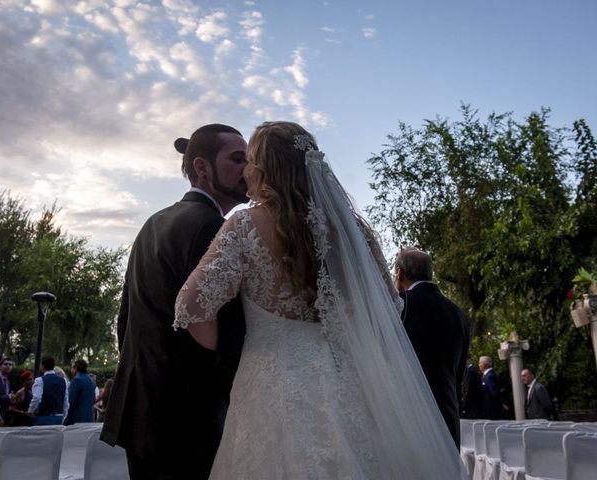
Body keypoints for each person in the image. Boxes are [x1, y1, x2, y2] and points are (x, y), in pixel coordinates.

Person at [174, 121, 465, 479]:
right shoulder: (353, 230)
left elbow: (190, 306)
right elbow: (391, 308)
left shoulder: (244, 226)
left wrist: (235, 348)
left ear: (266, 167)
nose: (246, 170)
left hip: (270, 385)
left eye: (251, 160)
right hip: (350, 381)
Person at [101, 124, 248, 480]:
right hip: (187, 415)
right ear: (202, 167)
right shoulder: (210, 227)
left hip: (142, 411)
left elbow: (126, 320)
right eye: (237, 158)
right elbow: (228, 332)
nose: (248, 169)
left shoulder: (153, 223)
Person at [394, 247, 469, 446]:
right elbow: (460, 374)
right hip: (447, 413)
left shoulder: (400, 305)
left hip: (410, 414)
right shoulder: (458, 313)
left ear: (399, 273)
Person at [28, 356, 69, 425]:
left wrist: (30, 411)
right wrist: (64, 416)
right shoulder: (63, 381)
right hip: (59, 416)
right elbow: (66, 401)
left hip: (44, 417)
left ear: (42, 366)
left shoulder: (39, 380)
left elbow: (36, 398)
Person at [64, 359, 96, 425]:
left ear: (76, 368)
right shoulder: (90, 381)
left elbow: (69, 401)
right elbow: (93, 399)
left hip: (76, 419)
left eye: (72, 367)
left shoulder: (76, 380)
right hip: (88, 418)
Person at [0, 357, 15, 422]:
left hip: (4, 414)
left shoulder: (8, 382)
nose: (8, 366)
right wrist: (8, 396)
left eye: (10, 365)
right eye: (5, 364)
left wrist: (12, 400)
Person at [479, 355, 503, 419]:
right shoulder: (487, 375)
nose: (479, 365)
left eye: (480, 363)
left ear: (484, 364)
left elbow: (495, 394)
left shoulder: (490, 376)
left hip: (492, 411)